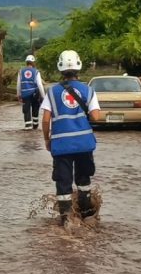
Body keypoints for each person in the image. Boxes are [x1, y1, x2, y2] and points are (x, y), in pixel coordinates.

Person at [40, 50, 101, 227]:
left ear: (60, 68)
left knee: (63, 181)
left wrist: (47, 140)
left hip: (61, 144)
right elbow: (96, 117)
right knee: (84, 179)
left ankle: (66, 218)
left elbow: (45, 120)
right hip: (84, 143)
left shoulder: (52, 92)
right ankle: (87, 215)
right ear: (78, 67)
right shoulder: (88, 90)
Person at [17, 55, 46, 130]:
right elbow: (40, 84)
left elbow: (18, 84)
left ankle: (28, 127)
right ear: (33, 63)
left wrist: (18, 95)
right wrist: (43, 96)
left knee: (26, 110)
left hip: (25, 94)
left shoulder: (21, 71)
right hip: (35, 94)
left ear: (26, 62)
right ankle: (35, 126)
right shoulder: (36, 72)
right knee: (35, 108)